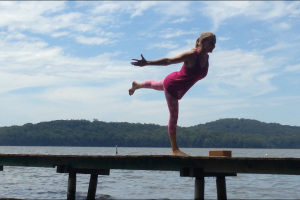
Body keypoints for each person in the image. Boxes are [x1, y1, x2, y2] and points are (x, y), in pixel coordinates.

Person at [129, 32, 216, 156]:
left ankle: (137, 85)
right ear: (203, 42)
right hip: (173, 85)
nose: (214, 46)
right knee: (174, 115)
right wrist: (147, 62)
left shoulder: (206, 58)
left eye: (215, 44)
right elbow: (168, 61)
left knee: (156, 84)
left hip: (176, 84)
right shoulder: (191, 55)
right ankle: (174, 150)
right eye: (211, 43)